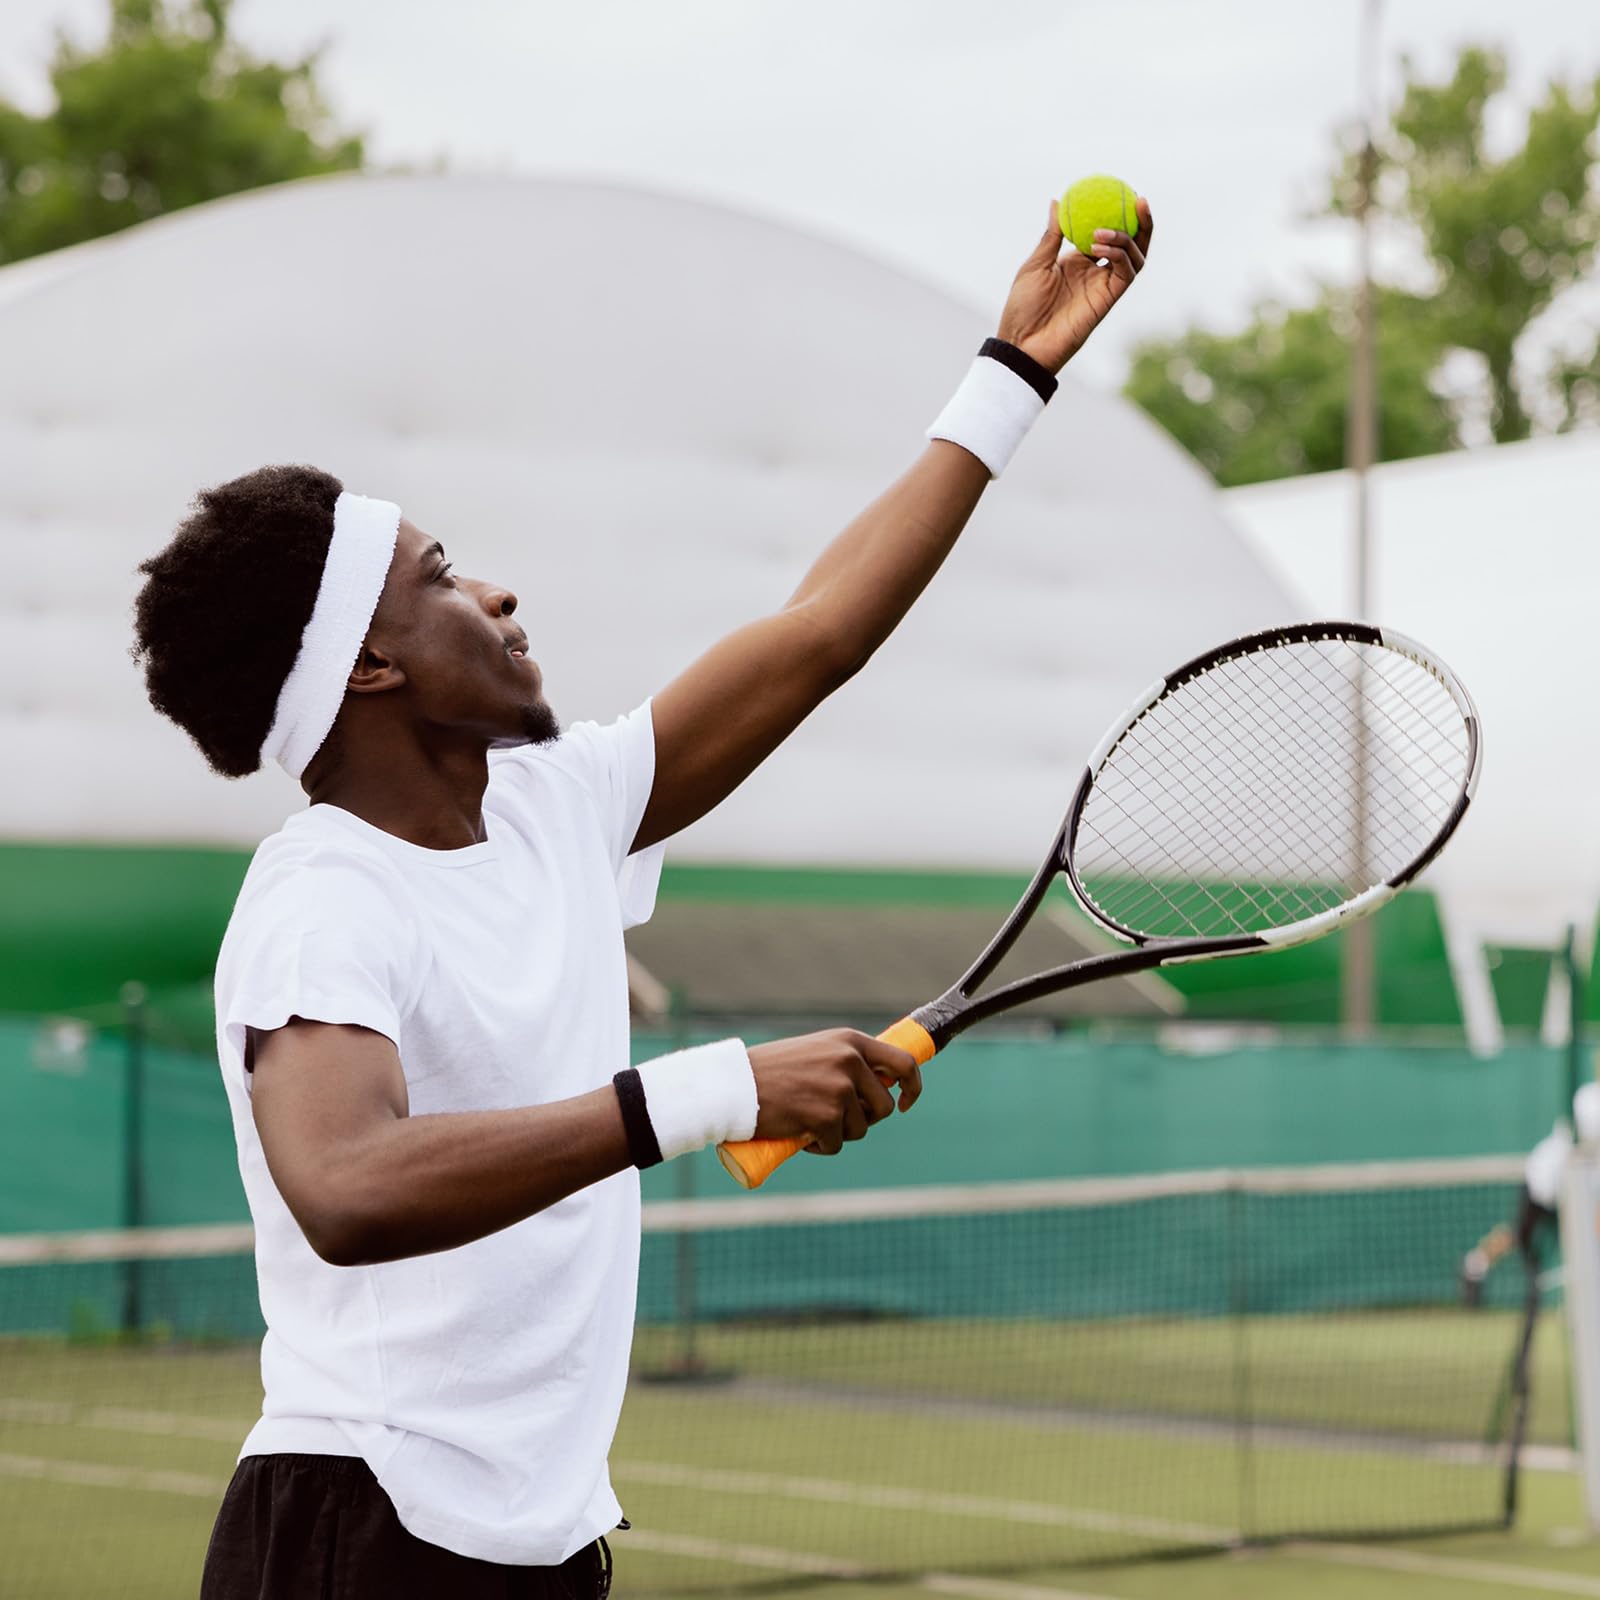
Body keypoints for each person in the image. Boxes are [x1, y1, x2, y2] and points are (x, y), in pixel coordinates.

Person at [130, 195, 1152, 1599]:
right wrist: (713, 1095)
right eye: (440, 579)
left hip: (542, 1543)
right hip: (358, 1527)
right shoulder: (323, 897)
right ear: (367, 670)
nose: (494, 593)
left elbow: (818, 633)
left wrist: (1012, 372)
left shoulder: (558, 810)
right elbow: (347, 1186)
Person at [1460, 1079, 1600, 1306]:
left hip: (1567, 1194)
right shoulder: (1589, 1101)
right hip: (1544, 1185)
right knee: (1518, 1234)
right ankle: (1477, 1263)